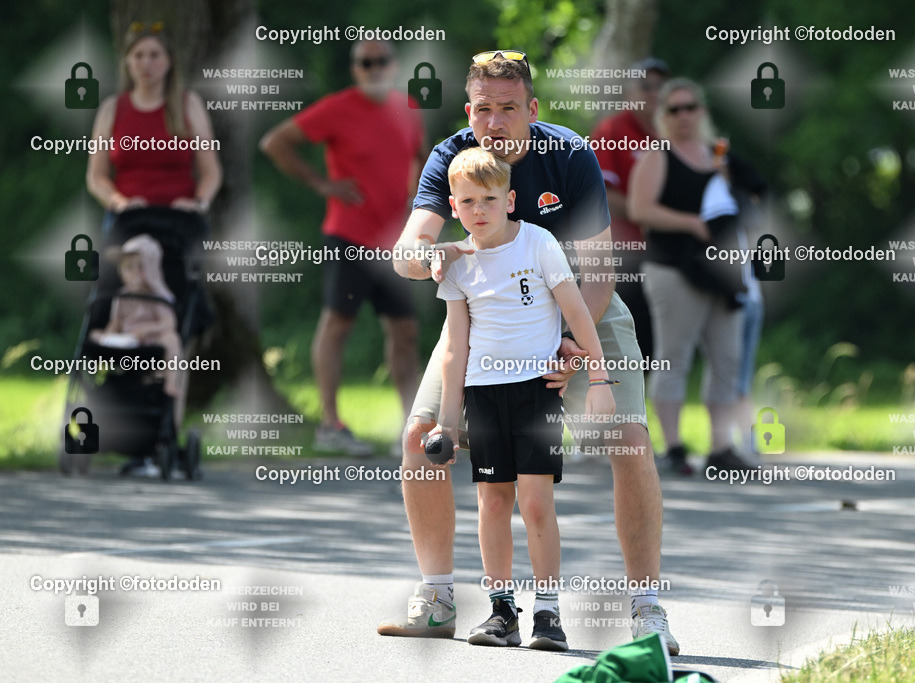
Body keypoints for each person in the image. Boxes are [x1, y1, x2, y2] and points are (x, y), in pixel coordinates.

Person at [378, 51, 679, 655]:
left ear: (531, 111)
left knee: (630, 441)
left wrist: (570, 347)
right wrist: (426, 258)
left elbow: (598, 270)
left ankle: (647, 609)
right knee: (420, 438)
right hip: (486, 318)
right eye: (484, 109)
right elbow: (409, 247)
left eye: (508, 109)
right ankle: (437, 597)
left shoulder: (569, 154)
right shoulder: (451, 158)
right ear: (469, 111)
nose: (495, 122)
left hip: (578, 309)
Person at [429, 147, 617, 650]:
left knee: (536, 504)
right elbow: (454, 348)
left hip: (537, 390)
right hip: (484, 395)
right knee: (492, 503)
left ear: (510, 199)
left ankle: (549, 613)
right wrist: (447, 423)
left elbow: (576, 314)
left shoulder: (538, 242)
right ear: (453, 206)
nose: (479, 209)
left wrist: (597, 381)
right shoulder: (456, 265)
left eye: (490, 198)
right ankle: (500, 610)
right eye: (468, 201)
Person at [260, 39, 427, 456]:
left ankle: (411, 429)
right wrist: (321, 184)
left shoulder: (407, 107)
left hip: (396, 241)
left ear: (393, 66)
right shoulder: (337, 107)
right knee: (337, 325)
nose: (373, 68)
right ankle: (331, 425)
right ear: (355, 69)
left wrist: (416, 203)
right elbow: (275, 142)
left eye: (381, 61)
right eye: (364, 63)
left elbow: (420, 159)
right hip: (349, 236)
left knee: (405, 332)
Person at [627, 78, 766, 476]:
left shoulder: (719, 153)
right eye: (674, 109)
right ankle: (672, 448)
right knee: (674, 358)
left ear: (702, 110)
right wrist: (690, 222)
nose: (684, 116)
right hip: (673, 268)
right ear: (663, 115)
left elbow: (754, 196)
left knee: (728, 358)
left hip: (723, 271)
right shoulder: (657, 154)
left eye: (690, 107)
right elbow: (640, 209)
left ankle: (722, 447)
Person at [86, 21, 221, 222]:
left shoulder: (189, 105)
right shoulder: (111, 109)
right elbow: (96, 177)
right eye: (138, 55)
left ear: (169, 61)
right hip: (128, 218)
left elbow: (211, 172)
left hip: (179, 218)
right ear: (128, 61)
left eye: (154, 55)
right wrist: (120, 202)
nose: (146, 63)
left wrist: (199, 203)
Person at [589, 57, 669, 362]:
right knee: (628, 340)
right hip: (626, 254)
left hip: (667, 252)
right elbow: (601, 197)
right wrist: (648, 211)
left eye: (661, 86)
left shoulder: (670, 133)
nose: (654, 93)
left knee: (660, 342)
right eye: (645, 86)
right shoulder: (612, 130)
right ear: (628, 93)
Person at [89, 234, 182, 477]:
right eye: (126, 268)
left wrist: (146, 330)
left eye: (136, 268)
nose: (130, 273)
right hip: (125, 343)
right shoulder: (121, 296)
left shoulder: (159, 296)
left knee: (172, 341)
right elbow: (116, 322)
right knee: (95, 336)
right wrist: (108, 336)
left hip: (151, 342)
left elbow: (168, 324)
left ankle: (171, 383)